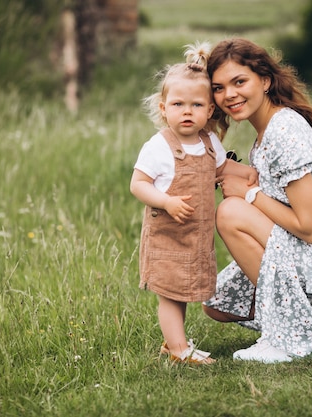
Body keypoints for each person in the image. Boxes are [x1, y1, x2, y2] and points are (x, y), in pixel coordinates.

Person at [202, 38, 312, 363]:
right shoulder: (269, 131)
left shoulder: (284, 133)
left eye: (239, 82)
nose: (229, 94)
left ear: (266, 81)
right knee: (218, 302)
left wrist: (250, 196)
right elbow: (255, 179)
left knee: (231, 213)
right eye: (218, 88)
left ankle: (293, 337)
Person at [130, 42, 257, 365]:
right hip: (169, 237)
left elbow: (222, 169)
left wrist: (253, 172)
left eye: (196, 105)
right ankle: (178, 349)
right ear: (163, 108)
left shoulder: (208, 142)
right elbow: (138, 184)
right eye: (178, 104)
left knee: (182, 293)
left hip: (195, 239)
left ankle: (175, 342)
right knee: (172, 295)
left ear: (210, 110)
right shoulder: (158, 147)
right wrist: (167, 201)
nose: (187, 111)